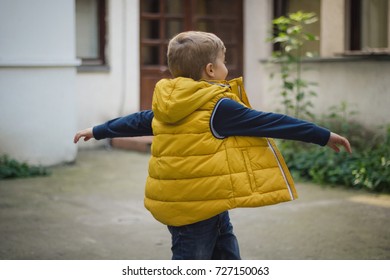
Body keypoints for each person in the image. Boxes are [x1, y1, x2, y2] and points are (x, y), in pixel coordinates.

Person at [74, 31, 351, 260]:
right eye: (224, 61)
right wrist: (322, 135)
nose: (226, 67)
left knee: (227, 256)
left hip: (204, 203)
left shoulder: (167, 103)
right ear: (210, 70)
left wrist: (98, 130)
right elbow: (270, 122)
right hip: (197, 210)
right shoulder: (218, 106)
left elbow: (137, 121)